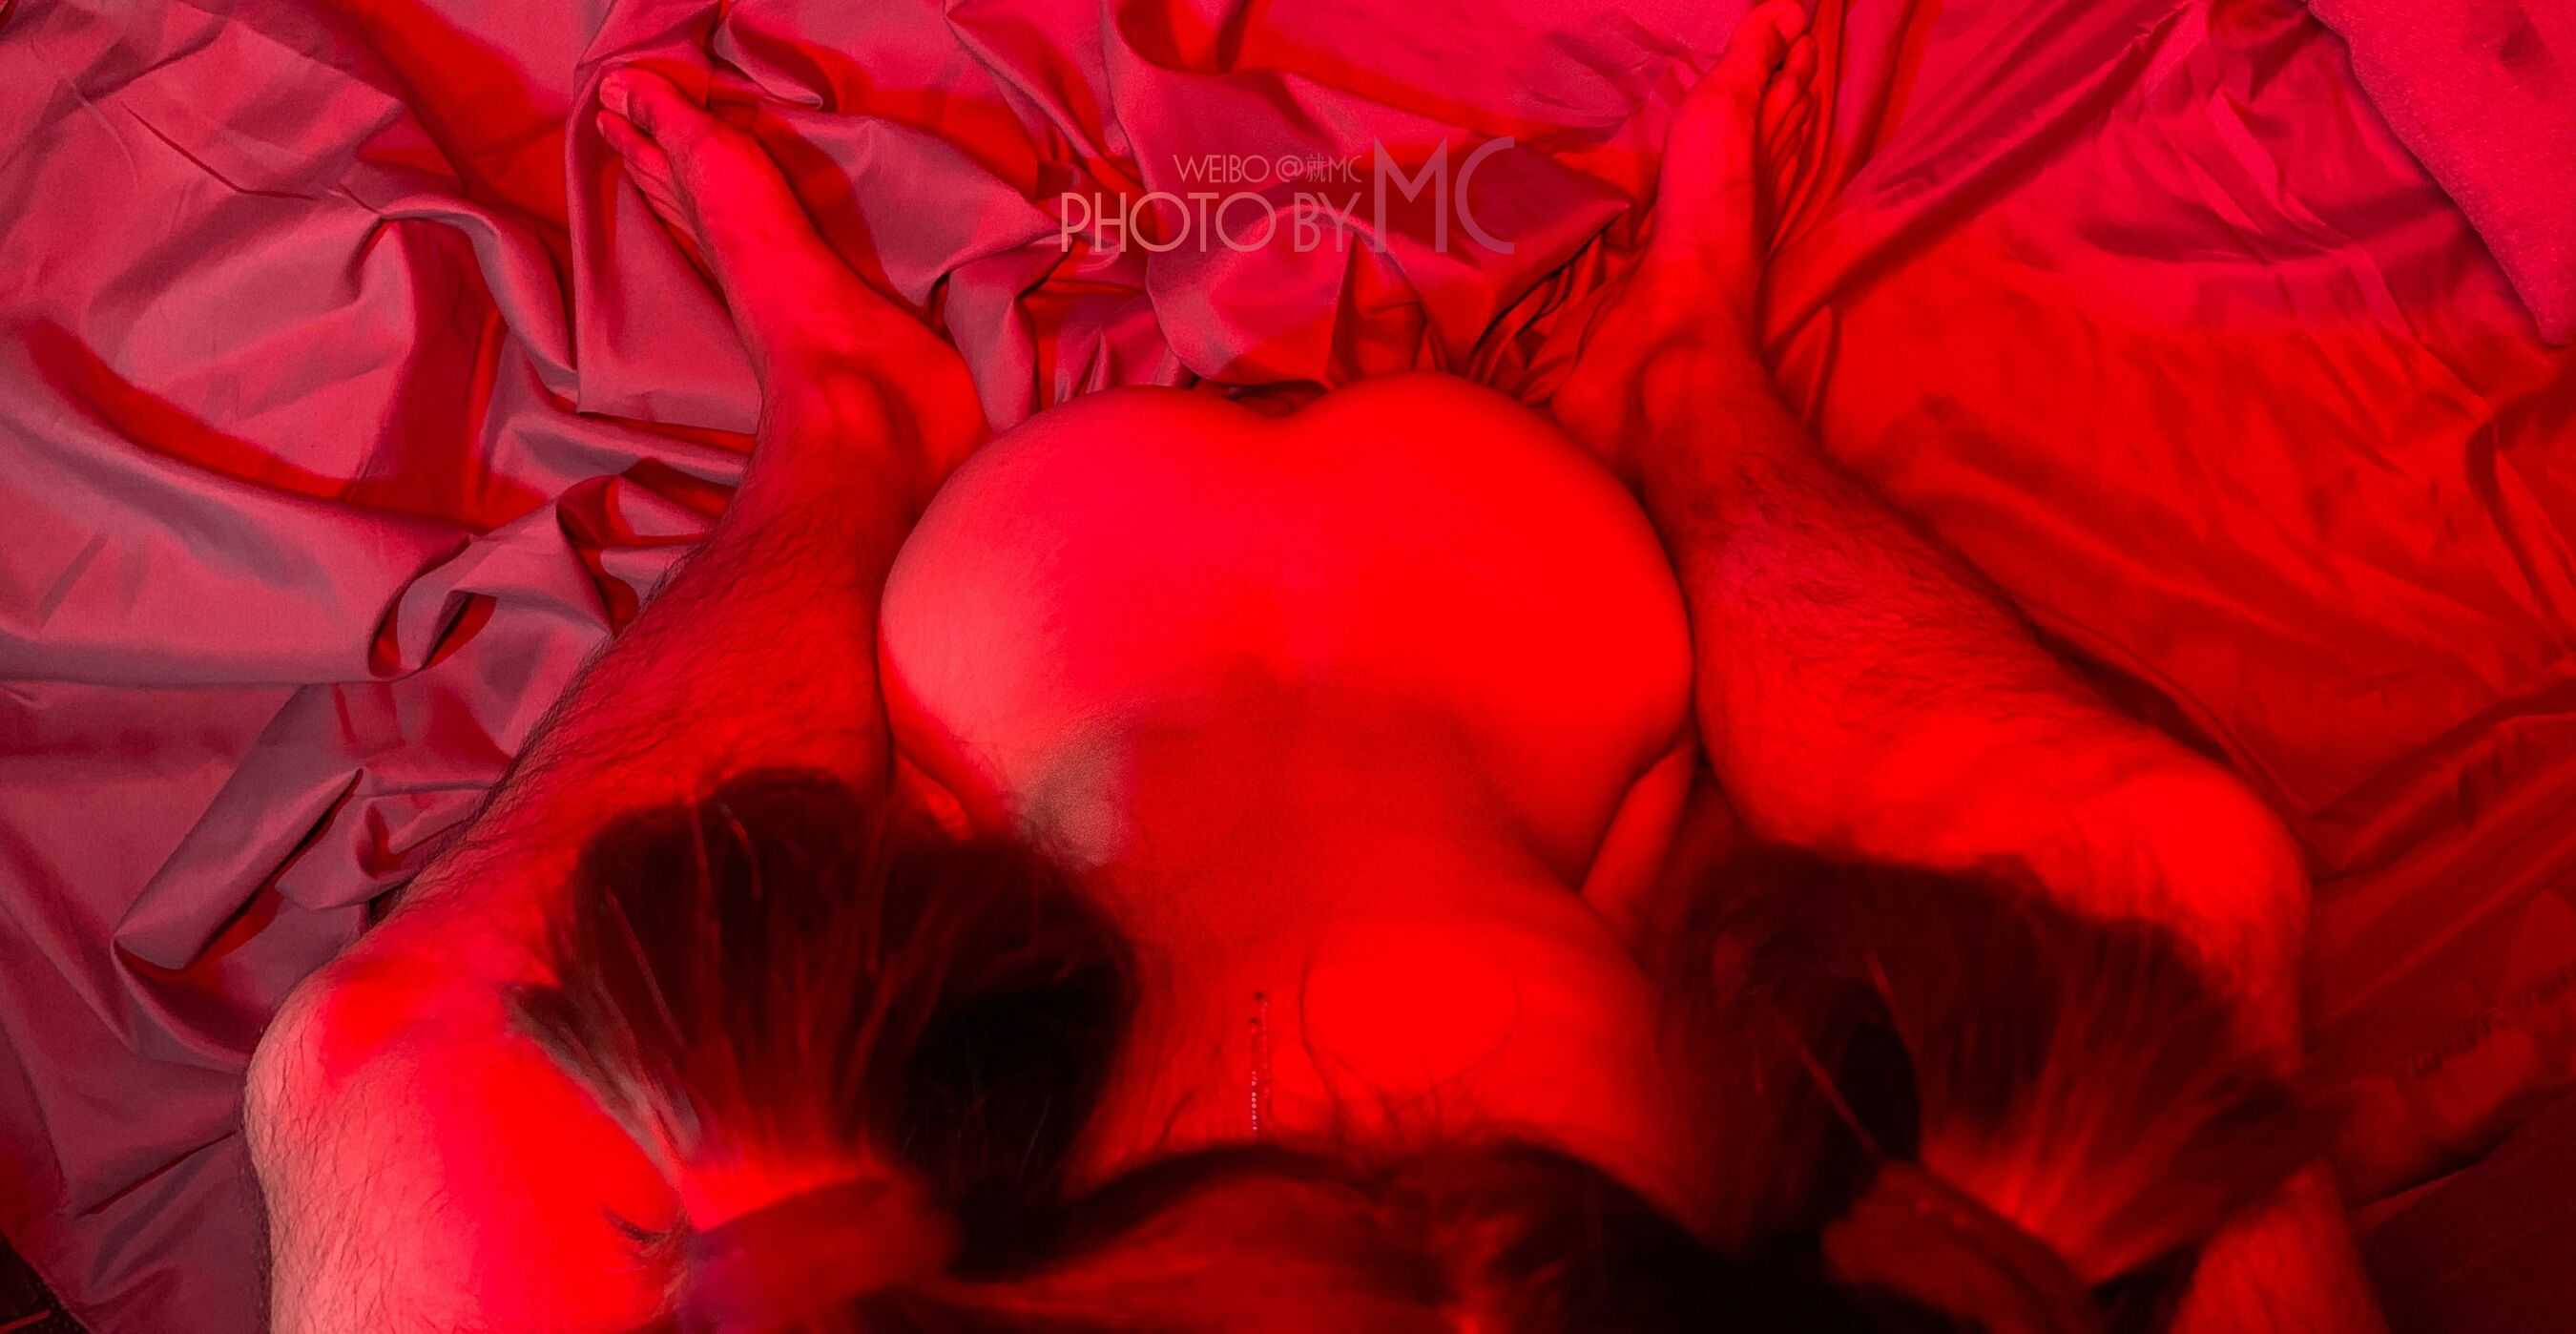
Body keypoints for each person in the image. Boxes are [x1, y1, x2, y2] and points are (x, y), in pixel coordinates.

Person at [241, 4, 2385, 1330]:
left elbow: (388, 1067)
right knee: (2181, 880)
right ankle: (1687, 387)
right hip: (1514, 657)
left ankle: (845, 428)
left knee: (383, 1067)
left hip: (1059, 657)